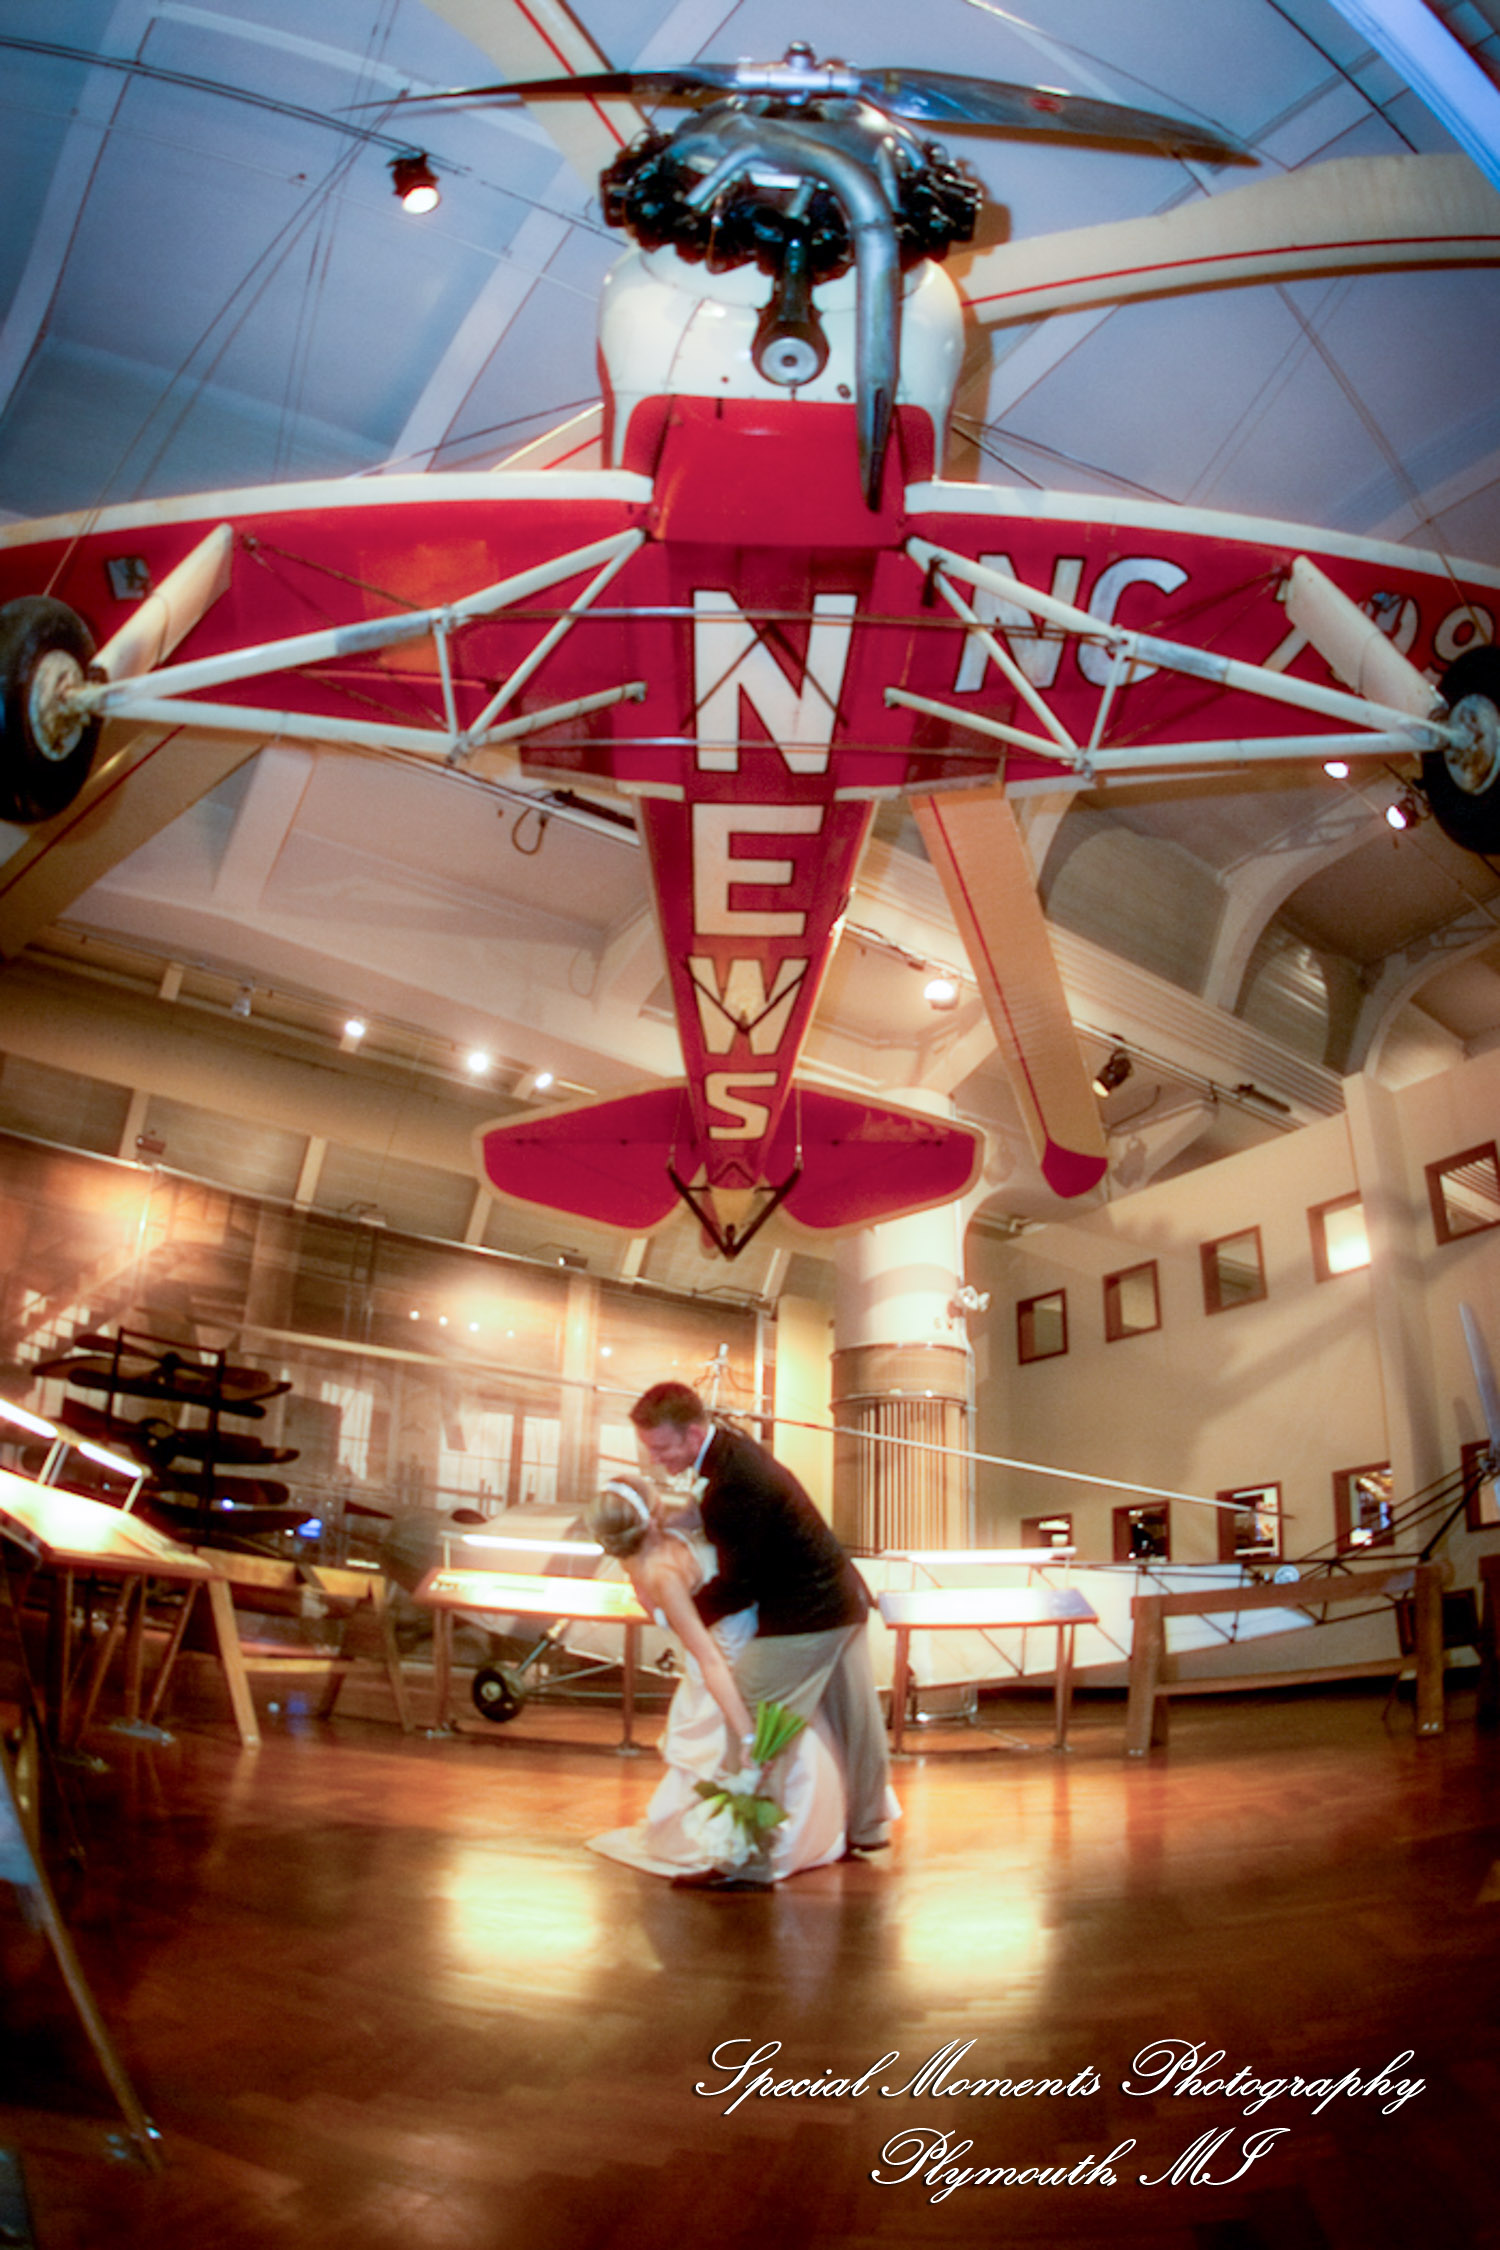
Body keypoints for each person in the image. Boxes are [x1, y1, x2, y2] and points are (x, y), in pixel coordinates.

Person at [628, 1381, 896, 1858]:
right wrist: (678, 1521)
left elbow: (737, 1585)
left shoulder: (734, 1481)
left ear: (692, 1434)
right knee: (855, 1724)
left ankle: (746, 1859)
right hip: (845, 1600)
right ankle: (867, 1828)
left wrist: (677, 1615)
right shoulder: (731, 1452)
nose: (656, 1459)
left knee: (748, 1718)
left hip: (806, 1615)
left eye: (662, 1448)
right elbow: (721, 1519)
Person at [584, 1474, 846, 1889]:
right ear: (651, 1516)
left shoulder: (653, 1570)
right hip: (749, 1640)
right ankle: (795, 1832)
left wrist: (746, 1736)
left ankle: (747, 1846)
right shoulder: (671, 1547)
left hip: (734, 1658)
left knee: (742, 1742)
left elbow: (711, 1660)